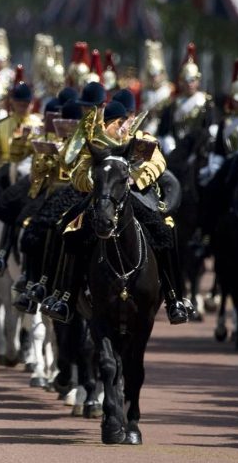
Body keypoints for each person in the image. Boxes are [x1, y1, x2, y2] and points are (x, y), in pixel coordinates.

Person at [43, 101, 190, 325]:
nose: (124, 123)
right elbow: (78, 171)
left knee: (165, 229)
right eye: (118, 119)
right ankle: (64, 296)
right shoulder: (97, 141)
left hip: (136, 196)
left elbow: (157, 162)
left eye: (128, 117)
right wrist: (96, 181)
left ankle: (174, 297)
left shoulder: (143, 138)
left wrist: (135, 178)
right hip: (103, 196)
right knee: (70, 227)